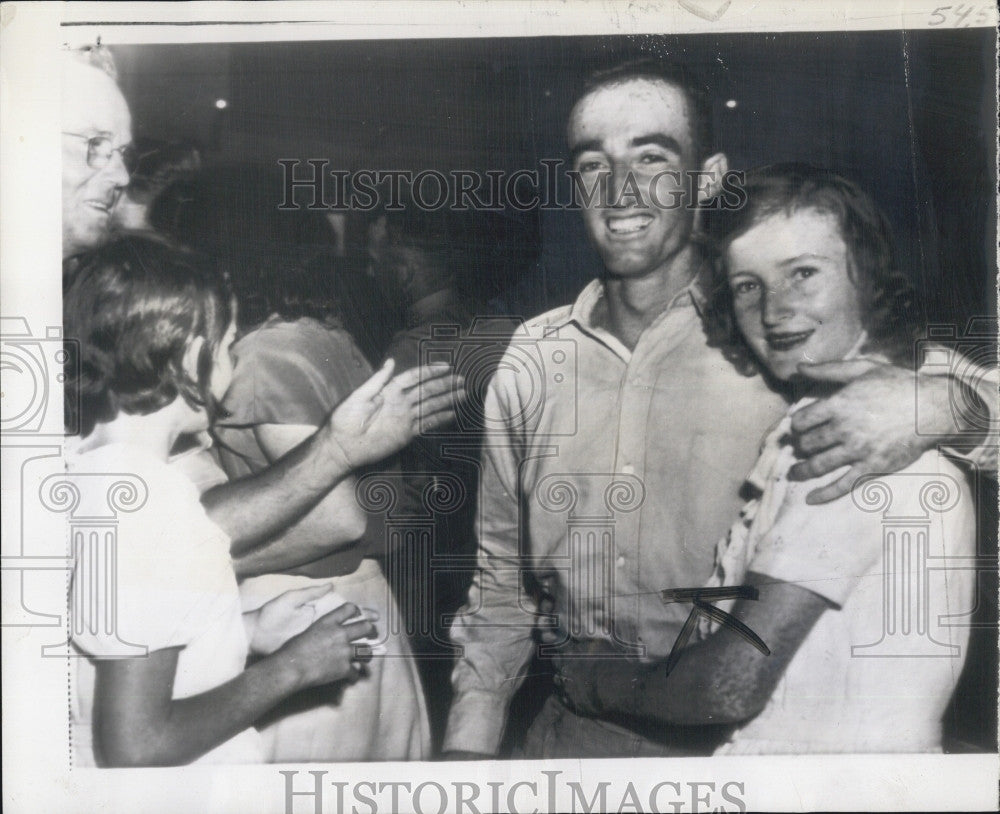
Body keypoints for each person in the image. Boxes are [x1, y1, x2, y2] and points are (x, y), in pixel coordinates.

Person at [443, 58, 997, 759]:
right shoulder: (531, 358)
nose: (620, 192)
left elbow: (933, 395)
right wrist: (466, 758)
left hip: (724, 752)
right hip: (566, 735)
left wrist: (948, 404)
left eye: (652, 157)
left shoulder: (784, 337)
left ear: (707, 178)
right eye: (593, 165)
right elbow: (500, 588)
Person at [550, 165, 976, 753]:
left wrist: (599, 681)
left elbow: (727, 686)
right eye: (748, 286)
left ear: (868, 277)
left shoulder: (857, 442)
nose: (774, 310)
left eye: (803, 273)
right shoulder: (828, 419)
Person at [60, 45, 464, 591]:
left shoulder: (264, 352)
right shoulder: (313, 330)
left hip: (307, 595)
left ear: (215, 253)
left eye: (177, 250)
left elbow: (339, 520)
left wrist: (192, 569)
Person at [62, 235, 386, 766]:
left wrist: (247, 629)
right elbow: (136, 745)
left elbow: (121, 651)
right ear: (191, 354)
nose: (233, 365)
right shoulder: (152, 503)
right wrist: (292, 668)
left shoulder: (85, 467)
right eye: (229, 343)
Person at [212, 250, 431, 762]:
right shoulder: (332, 339)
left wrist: (203, 559)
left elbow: (336, 519)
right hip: (364, 605)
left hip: (299, 612)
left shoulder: (265, 354)